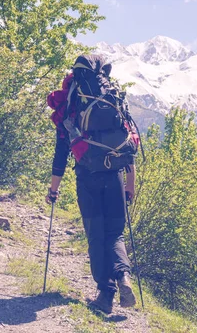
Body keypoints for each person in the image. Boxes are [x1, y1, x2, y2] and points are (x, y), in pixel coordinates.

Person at [46, 56, 137, 314]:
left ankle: (105, 296)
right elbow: (128, 143)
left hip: (87, 177)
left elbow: (61, 153)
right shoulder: (112, 99)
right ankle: (123, 277)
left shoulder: (71, 104)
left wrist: (54, 189)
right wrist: (131, 184)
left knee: (96, 235)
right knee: (115, 233)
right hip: (115, 175)